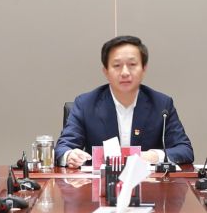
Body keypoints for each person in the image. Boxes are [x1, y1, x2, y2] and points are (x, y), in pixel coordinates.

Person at [58, 35, 194, 167]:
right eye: (117, 65)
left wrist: (154, 156)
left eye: (132, 64)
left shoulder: (161, 104)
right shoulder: (86, 104)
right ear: (106, 71)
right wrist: (69, 155)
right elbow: (63, 147)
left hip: (148, 181)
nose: (125, 72)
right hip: (100, 181)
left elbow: (184, 150)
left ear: (143, 69)